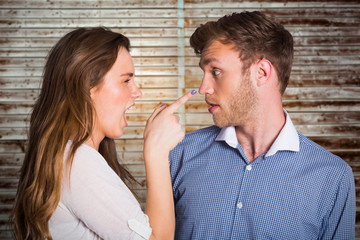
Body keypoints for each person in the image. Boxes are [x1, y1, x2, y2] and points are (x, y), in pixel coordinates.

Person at [169, 11, 355, 239]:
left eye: (215, 71)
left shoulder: (332, 178)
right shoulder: (178, 154)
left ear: (262, 72)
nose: (204, 87)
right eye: (204, 72)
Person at [10, 27, 196, 240]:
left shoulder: (64, 157)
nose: (137, 92)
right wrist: (157, 152)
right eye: (126, 80)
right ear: (87, 87)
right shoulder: (77, 162)